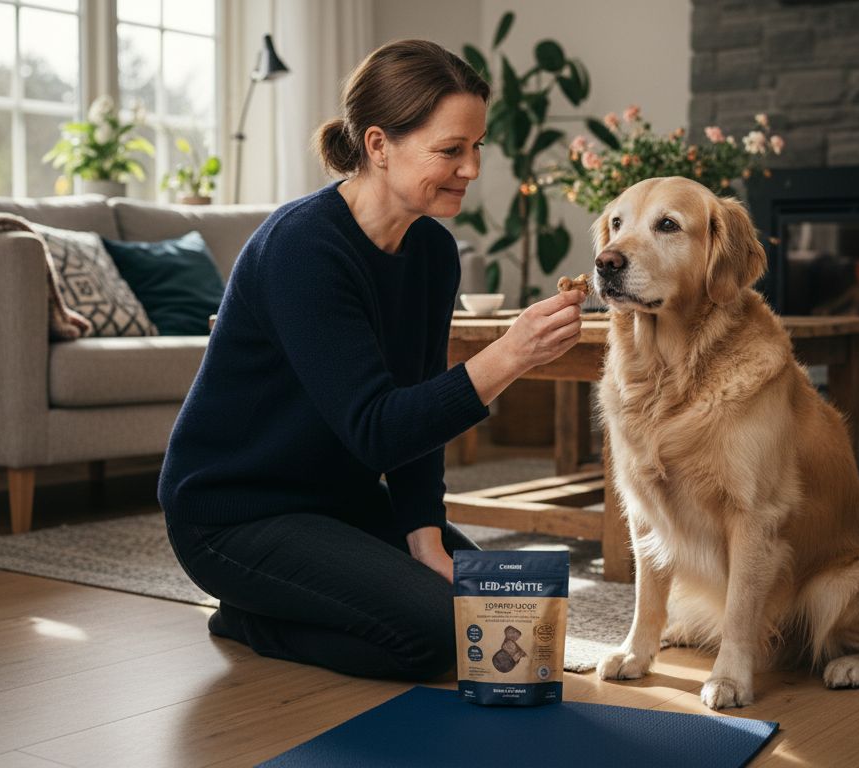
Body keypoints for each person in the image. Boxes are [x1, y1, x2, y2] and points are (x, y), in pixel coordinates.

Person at [159, 39, 585, 681]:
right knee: (436, 637)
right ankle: (248, 618)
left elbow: (417, 405)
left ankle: (316, 593)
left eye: (477, 148)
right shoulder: (303, 247)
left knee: (504, 613)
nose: (470, 169)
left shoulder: (433, 253)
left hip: (337, 501)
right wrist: (512, 354)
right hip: (235, 515)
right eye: (450, 150)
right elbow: (377, 427)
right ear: (379, 145)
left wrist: (425, 532)